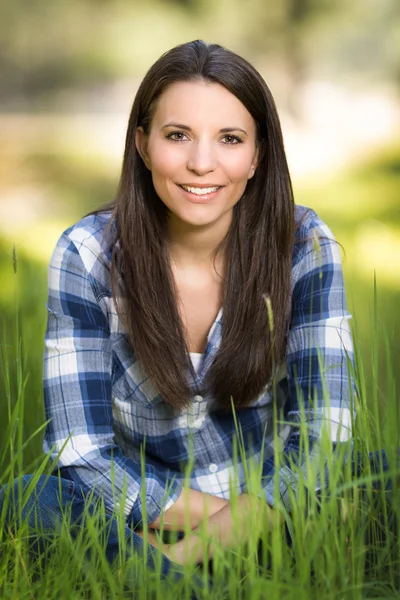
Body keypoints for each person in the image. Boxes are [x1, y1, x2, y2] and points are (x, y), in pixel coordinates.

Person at [1, 40, 357, 585]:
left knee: (379, 473)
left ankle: (162, 577)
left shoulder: (303, 244)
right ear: (143, 145)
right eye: (177, 136)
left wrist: (199, 544)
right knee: (27, 500)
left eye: (230, 139)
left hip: (270, 508)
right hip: (141, 513)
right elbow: (83, 452)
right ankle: (196, 576)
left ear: (258, 154)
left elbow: (322, 435)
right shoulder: (87, 254)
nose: (202, 163)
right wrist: (228, 521)